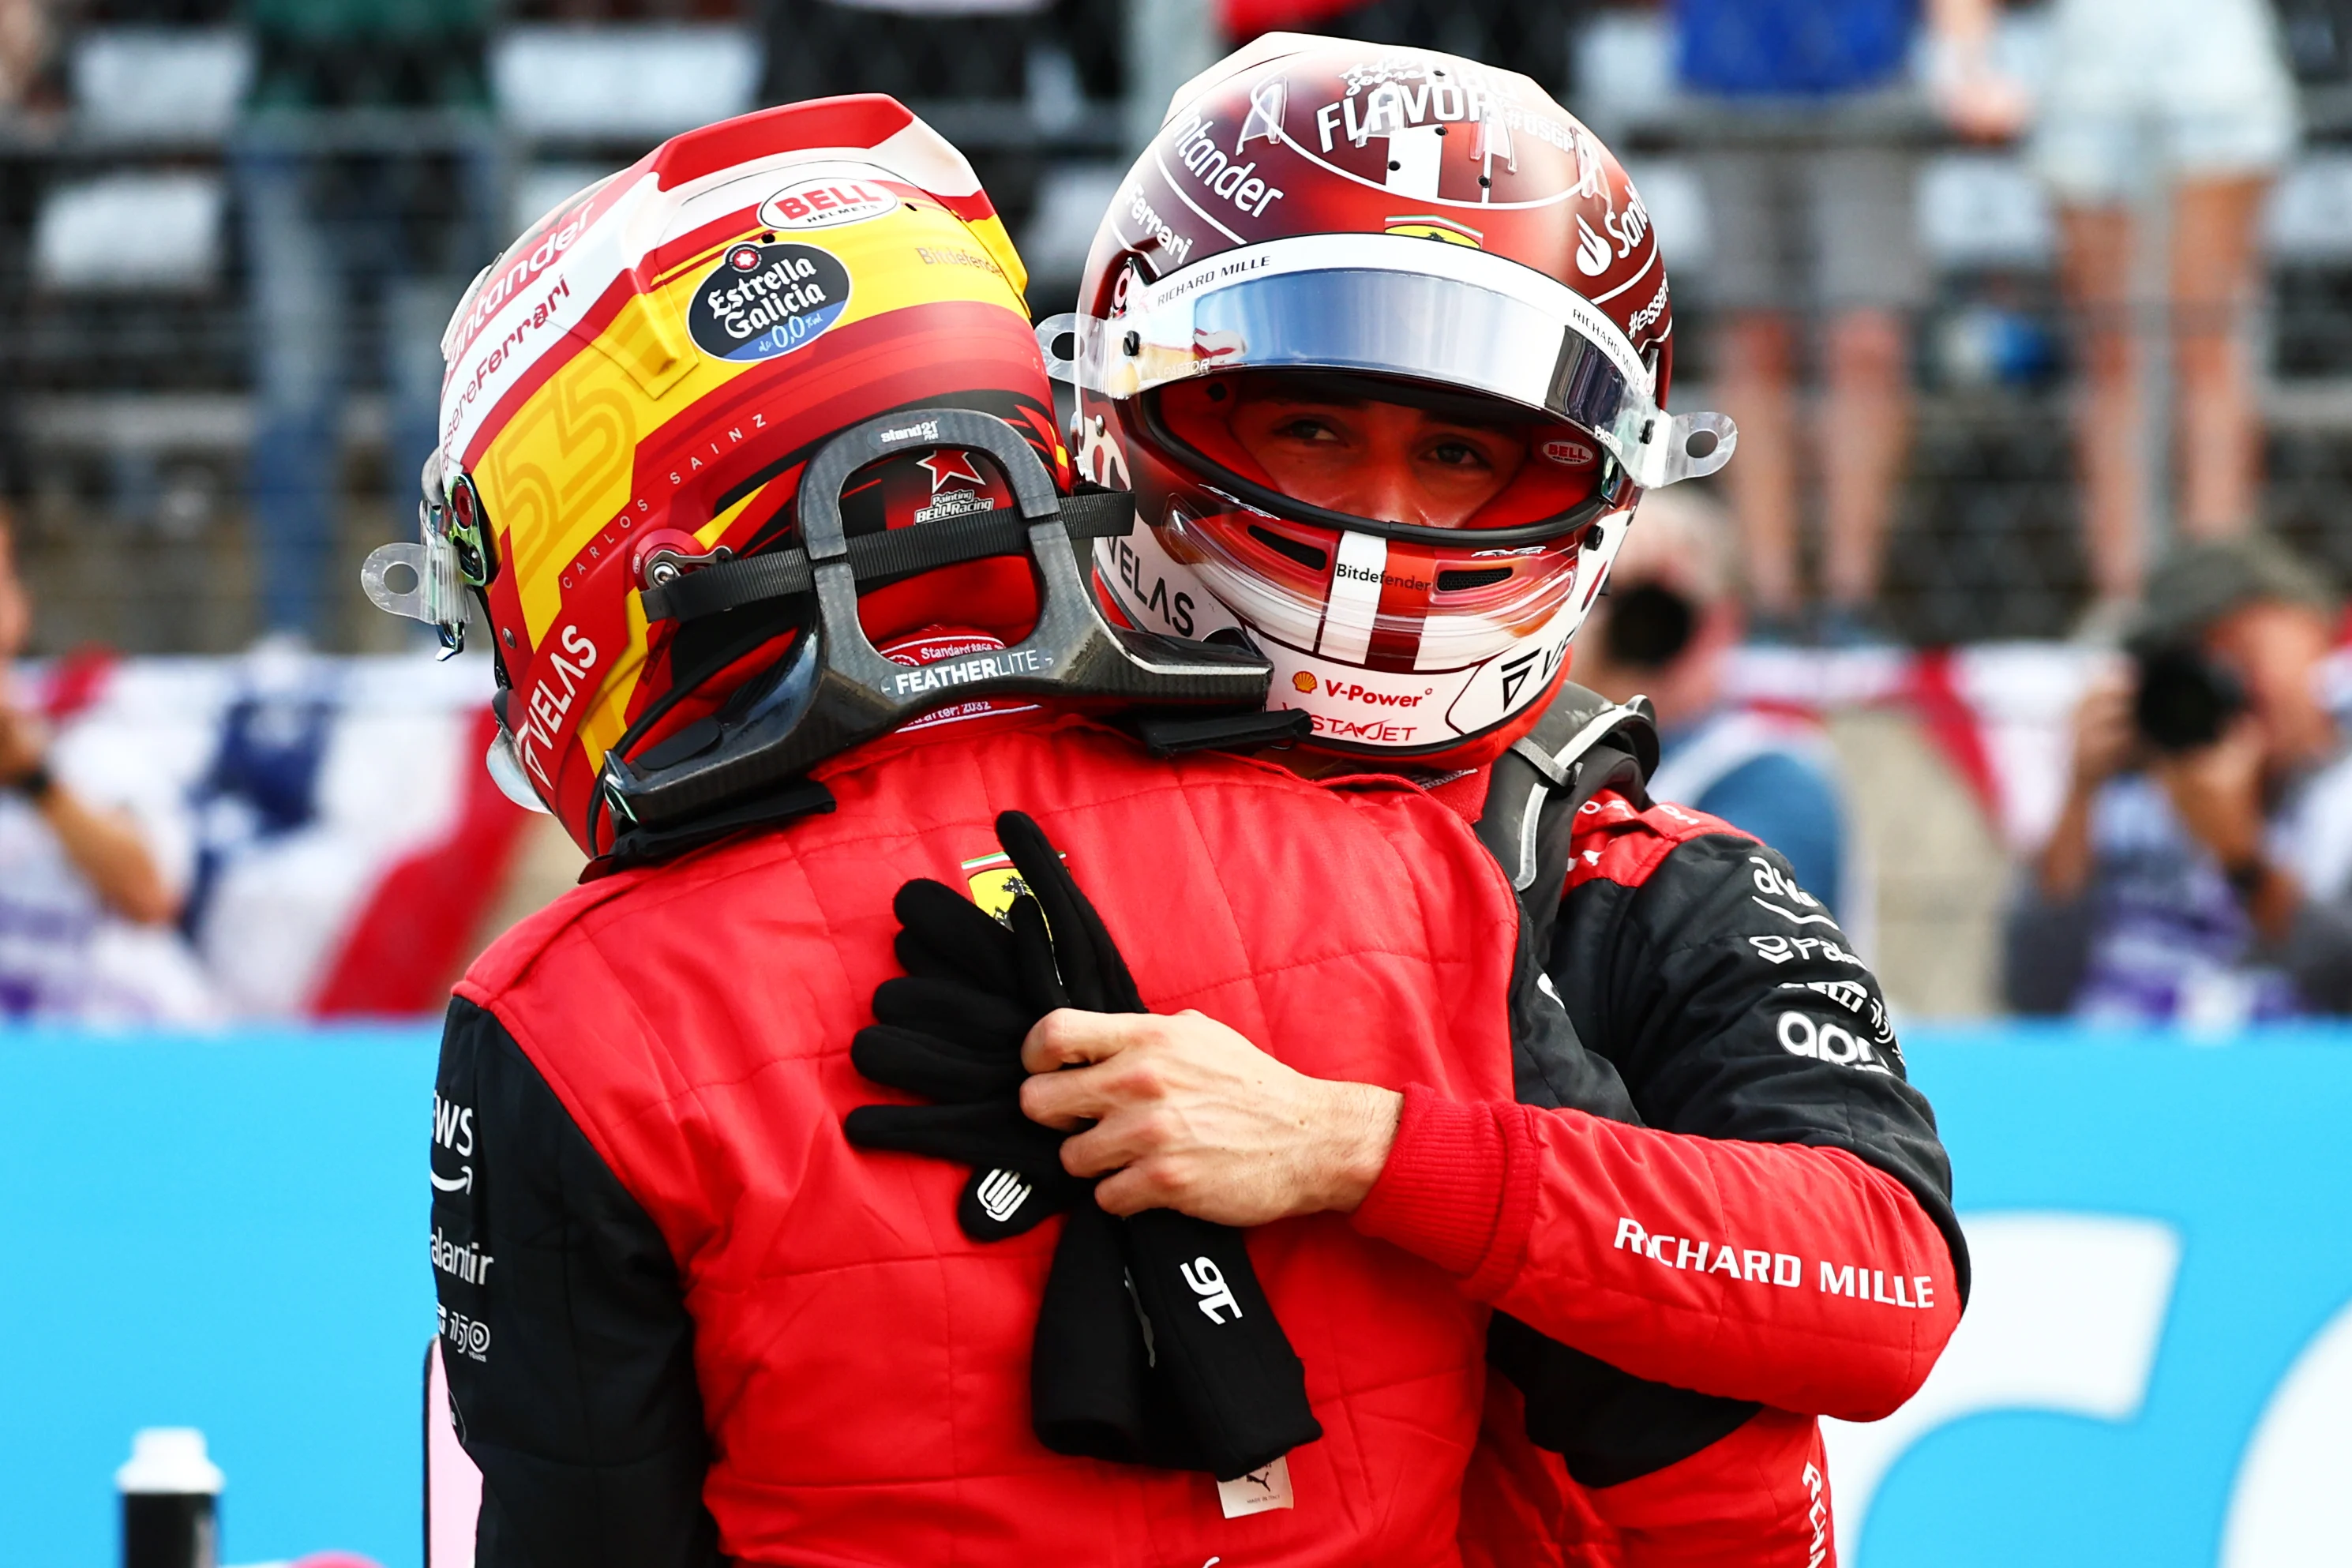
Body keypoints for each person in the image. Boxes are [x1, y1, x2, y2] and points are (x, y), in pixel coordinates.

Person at [405, 62, 1960, 1568]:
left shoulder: (1632, 877)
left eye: (1460, 457)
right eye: (1310, 428)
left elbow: (1882, 1289)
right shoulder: (1304, 863)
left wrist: (1354, 1142)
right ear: (1116, 410)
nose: (1383, 523)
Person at [1673, 0, 2024, 643]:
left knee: (1866, 340)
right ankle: (1766, 598)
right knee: (1750, 338)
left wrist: (1968, 62)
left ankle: (1850, 597)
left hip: (1866, 77)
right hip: (1724, 74)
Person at [2030, 0, 2298, 632]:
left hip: (2211, 50)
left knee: (2206, 346)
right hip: (2089, 52)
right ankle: (2121, 598)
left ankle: (2215, 596)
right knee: (2110, 354)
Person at [2008, 535, 2352, 1022]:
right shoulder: (2127, 785)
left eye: (2245, 650)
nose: (2228, 683)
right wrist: (2080, 794)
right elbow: (2033, 992)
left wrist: (2242, 858)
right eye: (2197, 659)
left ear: (2315, 631)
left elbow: (2343, 981)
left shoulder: (2340, 795)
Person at [234, 0, 495, 638]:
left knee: (432, 407)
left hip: (439, 129)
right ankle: (288, 635)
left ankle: (437, 630)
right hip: (296, 121)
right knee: (296, 396)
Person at [1570, 486, 1856, 919]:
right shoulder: (1554, 751)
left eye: (1661, 607)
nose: (1640, 629)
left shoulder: (1764, 768)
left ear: (1723, 623)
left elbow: (1716, 928)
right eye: (1607, 599)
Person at [0, 505, 197, 1017]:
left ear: (20, 604)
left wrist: (33, 779)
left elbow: (152, 896)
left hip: (106, 1056)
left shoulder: (90, 731)